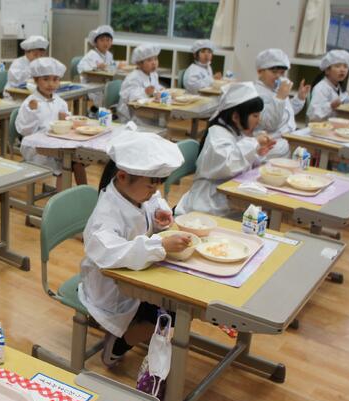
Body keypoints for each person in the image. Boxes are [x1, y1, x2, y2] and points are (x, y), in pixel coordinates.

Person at [78, 131, 186, 366]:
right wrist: (160, 244)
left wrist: (159, 217)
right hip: (111, 287)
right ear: (123, 176)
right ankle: (117, 347)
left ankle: (136, 330)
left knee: (175, 300)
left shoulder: (136, 192)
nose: (154, 192)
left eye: (157, 185)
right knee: (169, 311)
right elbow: (114, 254)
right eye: (150, 186)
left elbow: (153, 203)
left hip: (136, 274)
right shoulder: (105, 217)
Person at [175, 82, 276, 217]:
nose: (258, 120)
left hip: (224, 198)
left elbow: (238, 160)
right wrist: (254, 144)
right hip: (208, 202)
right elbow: (227, 166)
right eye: (255, 116)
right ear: (235, 117)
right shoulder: (217, 135)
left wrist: (257, 153)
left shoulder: (235, 133)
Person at [16, 57, 87, 191]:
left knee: (78, 163)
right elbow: (24, 131)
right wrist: (32, 111)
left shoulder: (60, 102)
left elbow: (66, 124)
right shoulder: (31, 103)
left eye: (55, 79)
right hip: (37, 149)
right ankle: (62, 200)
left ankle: (85, 194)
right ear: (36, 80)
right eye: (46, 79)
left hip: (56, 144)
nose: (51, 84)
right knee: (64, 168)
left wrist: (66, 119)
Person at [253, 48, 310, 159]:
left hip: (287, 140)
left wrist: (299, 98)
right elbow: (270, 123)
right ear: (260, 71)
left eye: (282, 73)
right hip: (272, 147)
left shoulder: (276, 89)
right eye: (274, 72)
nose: (278, 76)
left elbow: (287, 112)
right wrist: (280, 97)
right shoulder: (256, 93)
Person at [307, 49, 349, 122]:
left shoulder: (338, 86)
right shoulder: (321, 88)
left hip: (334, 123)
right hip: (321, 125)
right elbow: (313, 115)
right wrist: (330, 106)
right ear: (327, 71)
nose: (342, 70)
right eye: (337, 66)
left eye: (345, 66)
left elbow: (342, 100)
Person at [117, 43, 163, 123]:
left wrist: (161, 90)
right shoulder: (133, 77)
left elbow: (156, 87)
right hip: (133, 116)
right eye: (149, 60)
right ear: (139, 64)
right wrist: (145, 92)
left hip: (148, 110)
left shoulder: (153, 74)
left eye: (155, 59)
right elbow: (129, 96)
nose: (154, 63)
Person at [77, 25, 116, 109]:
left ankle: (106, 111)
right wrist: (96, 67)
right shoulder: (91, 55)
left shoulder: (109, 55)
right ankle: (94, 112)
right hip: (92, 86)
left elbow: (111, 66)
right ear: (96, 43)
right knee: (101, 97)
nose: (105, 43)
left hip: (104, 85)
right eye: (102, 40)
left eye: (108, 40)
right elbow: (80, 68)